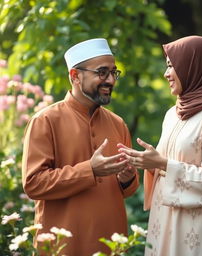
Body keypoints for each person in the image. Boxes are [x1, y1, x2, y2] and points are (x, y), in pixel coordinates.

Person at [118, 35, 202, 255]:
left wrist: (163, 163)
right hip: (164, 218)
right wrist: (144, 163)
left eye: (172, 65)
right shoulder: (173, 114)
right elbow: (163, 163)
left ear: (193, 65)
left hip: (198, 225)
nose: (166, 74)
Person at [22, 38, 139, 255]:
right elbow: (33, 183)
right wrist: (90, 170)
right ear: (75, 76)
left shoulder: (117, 123)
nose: (111, 80)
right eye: (102, 72)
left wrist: (127, 178)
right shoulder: (45, 120)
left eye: (114, 72)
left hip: (111, 245)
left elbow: (129, 190)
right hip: (62, 246)